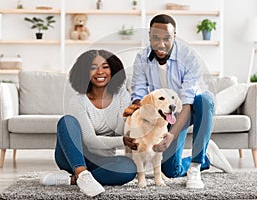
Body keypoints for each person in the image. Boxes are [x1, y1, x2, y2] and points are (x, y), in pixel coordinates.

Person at [124, 14, 232, 189]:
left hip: (191, 110)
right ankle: (208, 157)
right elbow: (140, 97)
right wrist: (134, 125)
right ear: (149, 36)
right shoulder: (141, 58)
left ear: (175, 35)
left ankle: (196, 165)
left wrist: (171, 135)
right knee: (171, 170)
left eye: (167, 38)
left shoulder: (189, 57)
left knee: (204, 99)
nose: (161, 44)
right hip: (163, 115)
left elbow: (188, 101)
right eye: (155, 38)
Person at [40, 49, 137, 197]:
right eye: (93, 67)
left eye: (105, 67)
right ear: (85, 72)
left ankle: (72, 180)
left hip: (103, 160)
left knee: (129, 168)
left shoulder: (123, 96)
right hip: (73, 158)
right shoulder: (78, 100)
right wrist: (122, 141)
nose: (100, 72)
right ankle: (81, 174)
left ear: (113, 70)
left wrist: (124, 117)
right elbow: (90, 141)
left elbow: (119, 131)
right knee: (66, 121)